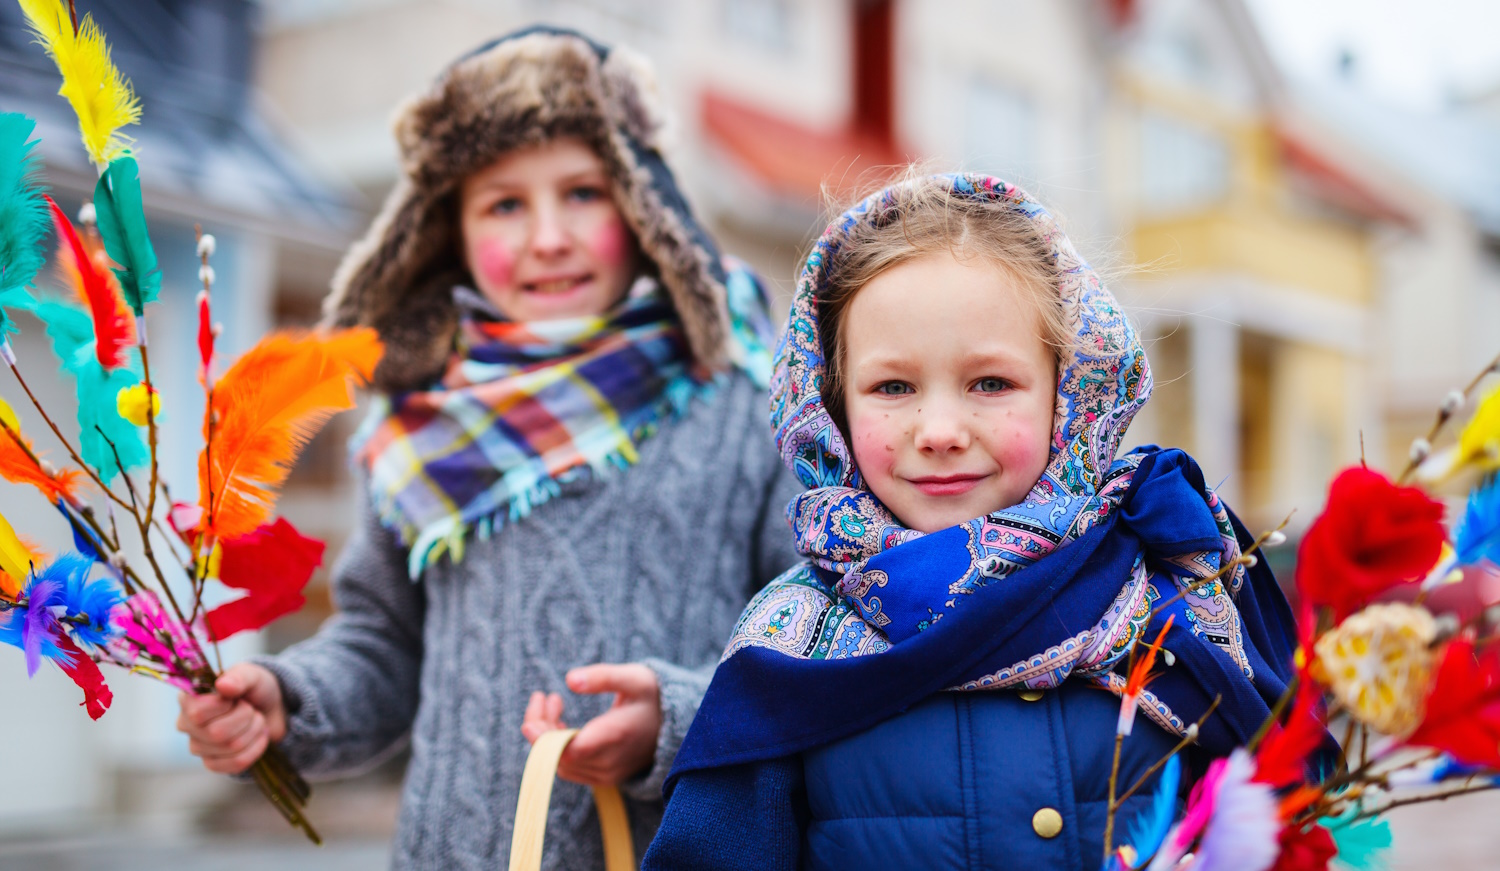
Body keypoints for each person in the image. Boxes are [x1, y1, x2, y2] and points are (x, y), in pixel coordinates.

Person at [175, 27, 800, 870]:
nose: (548, 236)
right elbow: (383, 646)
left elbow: (802, 640)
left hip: (671, 847)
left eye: (583, 192)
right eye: (504, 203)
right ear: (451, 231)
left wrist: (677, 715)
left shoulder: (739, 400)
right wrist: (291, 698)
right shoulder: (420, 429)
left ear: (643, 202)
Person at [643, 174, 1303, 871]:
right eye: (893, 387)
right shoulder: (787, 644)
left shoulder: (1169, 598)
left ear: (1069, 393)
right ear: (834, 407)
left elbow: (1275, 821)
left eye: (990, 383)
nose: (940, 429)